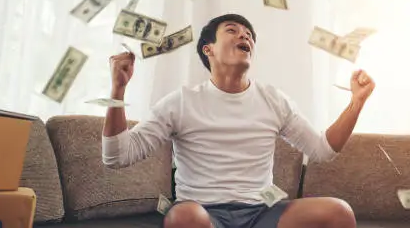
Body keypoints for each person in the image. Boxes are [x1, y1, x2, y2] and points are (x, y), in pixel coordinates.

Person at [102, 14, 375, 228]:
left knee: (339, 213)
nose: (244, 35)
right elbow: (117, 156)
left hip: (262, 213)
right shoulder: (181, 102)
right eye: (232, 30)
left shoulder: (273, 100)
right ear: (208, 49)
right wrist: (117, 90)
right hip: (202, 212)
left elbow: (322, 150)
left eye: (248, 35)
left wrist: (356, 102)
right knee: (184, 219)